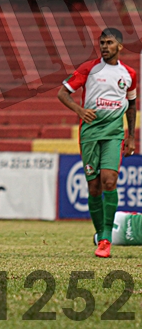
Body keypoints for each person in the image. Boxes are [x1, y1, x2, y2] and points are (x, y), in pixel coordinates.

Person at [58, 28, 137, 258]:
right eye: (102, 42)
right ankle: (100, 232)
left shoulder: (129, 73)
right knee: (94, 187)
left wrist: (131, 136)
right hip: (90, 133)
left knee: (109, 181)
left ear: (119, 46)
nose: (104, 46)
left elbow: (132, 105)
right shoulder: (88, 68)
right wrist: (79, 110)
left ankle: (105, 239)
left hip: (114, 132)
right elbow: (62, 93)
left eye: (109, 42)